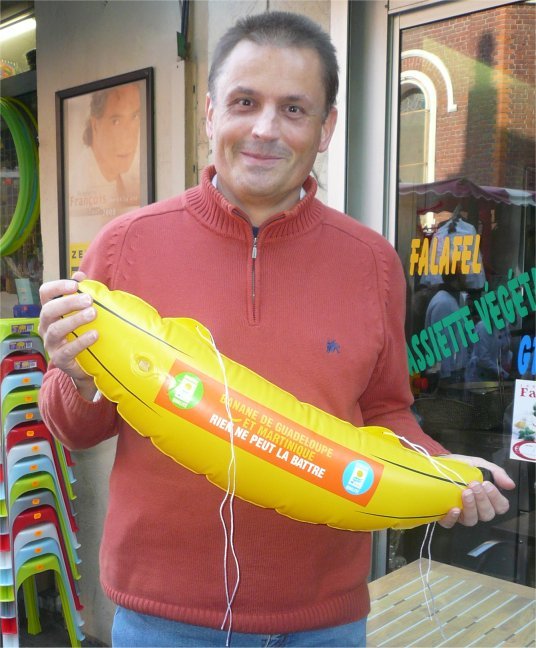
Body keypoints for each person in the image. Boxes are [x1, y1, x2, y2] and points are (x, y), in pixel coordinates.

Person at [38, 11, 515, 648]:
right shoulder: (127, 245)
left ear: (326, 128)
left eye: (294, 109)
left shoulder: (372, 262)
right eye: (245, 102)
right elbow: (74, 429)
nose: (265, 129)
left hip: (325, 619)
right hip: (164, 620)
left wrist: (441, 471)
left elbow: (385, 412)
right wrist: (77, 377)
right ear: (211, 114)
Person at [68, 82, 141, 229]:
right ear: (95, 125)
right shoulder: (79, 182)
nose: (128, 137)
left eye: (134, 117)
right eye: (116, 122)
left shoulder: (130, 173)